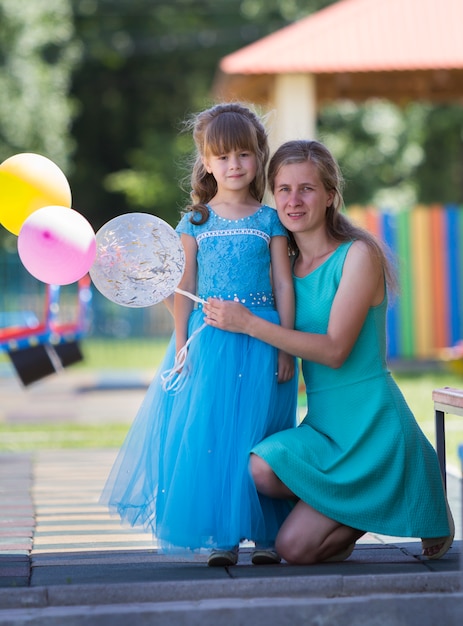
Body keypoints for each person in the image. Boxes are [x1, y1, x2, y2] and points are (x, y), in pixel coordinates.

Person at [204, 139, 454, 565]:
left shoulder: (358, 255)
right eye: (283, 189)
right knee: (261, 468)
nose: (293, 200)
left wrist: (249, 323)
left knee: (293, 551)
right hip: (324, 428)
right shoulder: (282, 264)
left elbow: (335, 350)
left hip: (374, 426)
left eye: (307, 189)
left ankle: (405, 482)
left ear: (330, 196)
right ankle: (366, 502)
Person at [101, 103, 298, 567]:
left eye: (244, 155)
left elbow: (283, 283)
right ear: (206, 163)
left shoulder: (269, 220)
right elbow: (182, 288)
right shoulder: (195, 221)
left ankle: (267, 535)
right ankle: (223, 536)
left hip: (263, 340)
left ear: (258, 159)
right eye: (223, 156)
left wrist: (287, 343)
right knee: (213, 434)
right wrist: (180, 345)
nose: (234, 165)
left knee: (260, 432)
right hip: (207, 343)